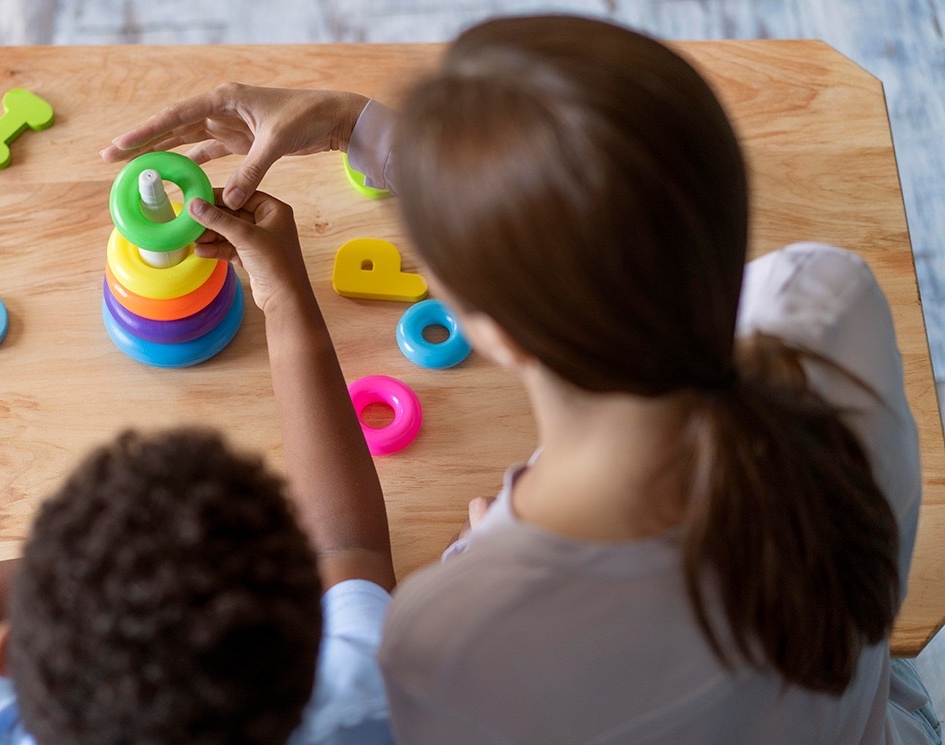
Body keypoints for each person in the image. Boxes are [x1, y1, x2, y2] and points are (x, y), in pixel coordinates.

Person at [101, 13, 940, 745]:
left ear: (486, 329)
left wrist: (491, 552)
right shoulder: (827, 304)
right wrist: (361, 125)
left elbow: (352, 559)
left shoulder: (457, 640)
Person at [0, 187, 397, 741]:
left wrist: (80, 571)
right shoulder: (366, 703)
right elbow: (348, 548)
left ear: (7, 653)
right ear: (309, 663)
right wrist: (283, 298)